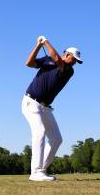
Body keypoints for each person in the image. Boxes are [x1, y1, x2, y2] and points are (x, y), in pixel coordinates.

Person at [22, 36, 82, 181]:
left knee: (56, 139)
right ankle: (36, 172)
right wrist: (38, 45)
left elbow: (56, 59)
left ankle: (41, 170)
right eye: (73, 59)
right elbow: (28, 63)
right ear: (67, 54)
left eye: (76, 62)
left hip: (46, 108)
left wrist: (46, 42)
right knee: (40, 132)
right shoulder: (48, 60)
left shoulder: (68, 70)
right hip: (31, 102)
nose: (74, 63)